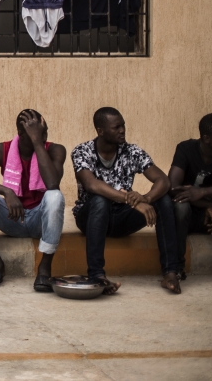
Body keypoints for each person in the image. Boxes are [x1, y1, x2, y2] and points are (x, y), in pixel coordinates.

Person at [72, 107, 180, 295]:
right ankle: (96, 275)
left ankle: (171, 272)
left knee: (163, 200)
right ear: (100, 130)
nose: (122, 130)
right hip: (91, 217)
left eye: (123, 126)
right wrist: (133, 201)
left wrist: (146, 198)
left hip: (121, 218)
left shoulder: (132, 151)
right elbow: (92, 185)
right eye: (116, 127)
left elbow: (163, 180)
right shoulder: (82, 151)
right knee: (99, 200)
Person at [0, 110, 67, 291]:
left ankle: (44, 268)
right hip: (11, 218)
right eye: (35, 133)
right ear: (20, 134)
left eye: (44, 131)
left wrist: (37, 142)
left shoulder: (55, 149)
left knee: (55, 196)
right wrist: (7, 192)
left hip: (39, 221)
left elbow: (52, 183)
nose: (43, 136)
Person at [169, 113, 212, 277]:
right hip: (191, 215)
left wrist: (203, 192)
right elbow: (173, 187)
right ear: (206, 139)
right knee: (180, 205)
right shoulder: (186, 149)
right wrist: (207, 204)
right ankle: (177, 267)